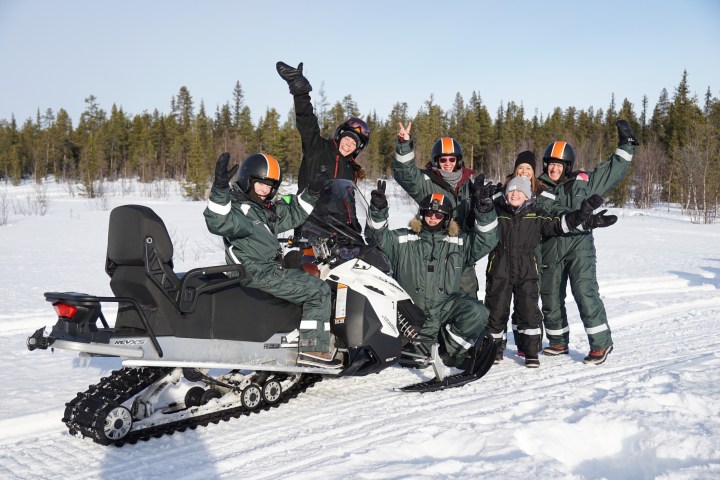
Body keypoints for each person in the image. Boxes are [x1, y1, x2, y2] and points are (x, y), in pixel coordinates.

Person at [203, 152, 338, 367]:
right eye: (261, 184)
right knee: (318, 291)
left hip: (267, 270)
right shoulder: (240, 210)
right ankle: (314, 348)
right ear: (248, 180)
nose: (266, 190)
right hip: (256, 273)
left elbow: (293, 212)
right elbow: (218, 222)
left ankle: (295, 335)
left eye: (271, 186)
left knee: (310, 272)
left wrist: (312, 192)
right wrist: (220, 188)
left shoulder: (261, 210)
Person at [365, 177, 499, 369]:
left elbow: (487, 239)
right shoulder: (403, 238)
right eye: (429, 213)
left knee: (477, 312)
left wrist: (485, 210)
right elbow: (375, 237)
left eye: (439, 215)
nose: (433, 218)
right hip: (412, 314)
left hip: (444, 307)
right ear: (421, 214)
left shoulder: (459, 242)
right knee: (417, 362)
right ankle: (421, 348)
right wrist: (378, 210)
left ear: (447, 218)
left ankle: (449, 352)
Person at [485, 173, 616, 368]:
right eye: (511, 190)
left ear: (528, 195)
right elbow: (481, 221)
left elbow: (559, 224)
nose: (514, 194)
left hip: (527, 271)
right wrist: (482, 201)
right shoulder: (498, 212)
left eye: (519, 191)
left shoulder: (537, 214)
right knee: (496, 311)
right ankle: (492, 350)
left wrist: (583, 217)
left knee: (529, 312)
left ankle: (531, 352)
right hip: (500, 269)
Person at [536, 120, 639, 365]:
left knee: (585, 292)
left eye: (558, 165)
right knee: (550, 295)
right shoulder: (539, 189)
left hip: (579, 246)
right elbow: (546, 218)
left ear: (567, 166)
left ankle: (601, 344)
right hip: (550, 246)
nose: (553, 169)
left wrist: (627, 146)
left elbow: (612, 171)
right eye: (550, 164)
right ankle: (558, 341)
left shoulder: (583, 181)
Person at [276, 61, 371, 241]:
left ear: (357, 149)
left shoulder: (350, 170)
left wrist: (356, 232)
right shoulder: (317, 149)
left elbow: (349, 204)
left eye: (354, 143)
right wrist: (300, 92)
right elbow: (307, 123)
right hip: (310, 230)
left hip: (340, 236)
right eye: (347, 138)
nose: (348, 144)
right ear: (339, 135)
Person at [392, 122, 480, 295]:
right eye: (443, 159)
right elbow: (405, 173)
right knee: (434, 296)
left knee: (467, 298)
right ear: (436, 161)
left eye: (452, 159)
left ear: (459, 160)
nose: (448, 163)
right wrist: (404, 144)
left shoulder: (468, 185)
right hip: (434, 248)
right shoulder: (426, 181)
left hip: (460, 249)